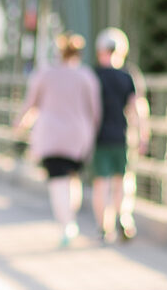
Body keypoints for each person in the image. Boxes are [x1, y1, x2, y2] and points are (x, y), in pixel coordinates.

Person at [13, 33, 101, 247]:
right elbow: (95, 111)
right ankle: (70, 218)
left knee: (57, 183)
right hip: (78, 138)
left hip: (50, 136)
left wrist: (19, 124)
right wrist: (92, 135)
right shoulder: (86, 76)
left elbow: (30, 105)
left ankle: (67, 225)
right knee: (73, 179)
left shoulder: (44, 74)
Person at [90, 27, 150, 243]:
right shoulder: (127, 76)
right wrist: (143, 135)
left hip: (99, 138)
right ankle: (123, 218)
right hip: (122, 137)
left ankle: (102, 227)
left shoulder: (93, 76)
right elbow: (137, 108)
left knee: (101, 183)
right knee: (122, 180)